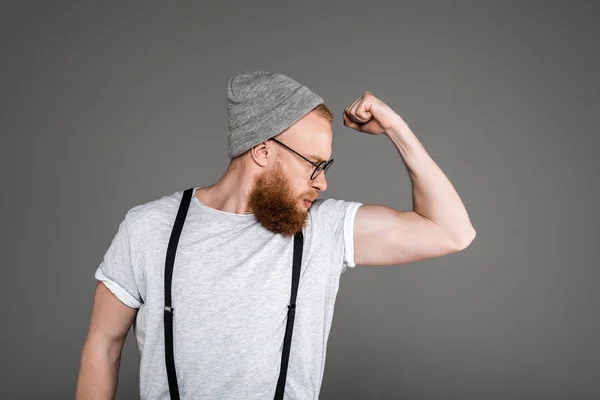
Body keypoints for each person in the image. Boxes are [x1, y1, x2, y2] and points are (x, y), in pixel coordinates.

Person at [75, 71, 476, 400]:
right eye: (313, 165)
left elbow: (450, 232)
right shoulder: (149, 228)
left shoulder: (324, 230)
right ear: (263, 151)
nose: (322, 183)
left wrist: (395, 127)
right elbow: (103, 345)